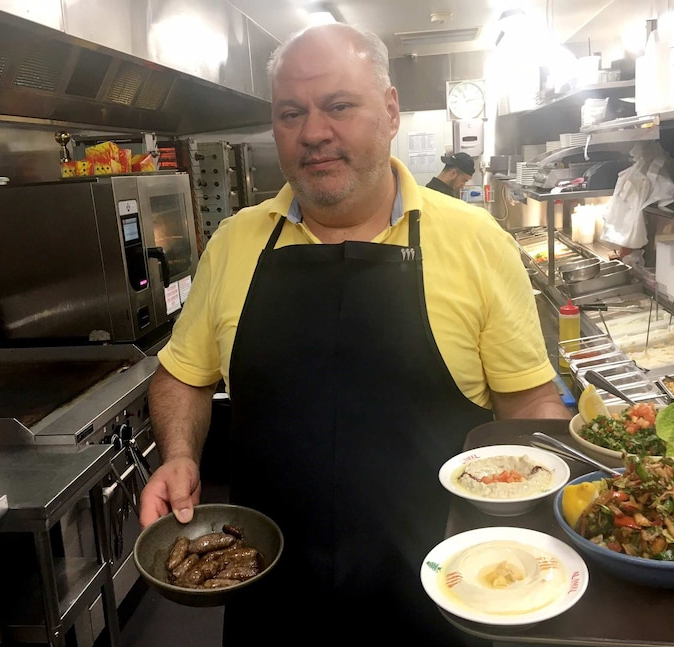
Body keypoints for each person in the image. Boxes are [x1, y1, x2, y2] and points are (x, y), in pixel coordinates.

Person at [139, 22, 570, 645]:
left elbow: (527, 402)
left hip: (448, 589)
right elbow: (183, 373)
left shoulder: (476, 242)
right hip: (270, 589)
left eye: (339, 106)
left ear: (390, 111)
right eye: (291, 113)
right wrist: (179, 454)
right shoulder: (236, 243)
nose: (314, 132)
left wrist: (556, 515)